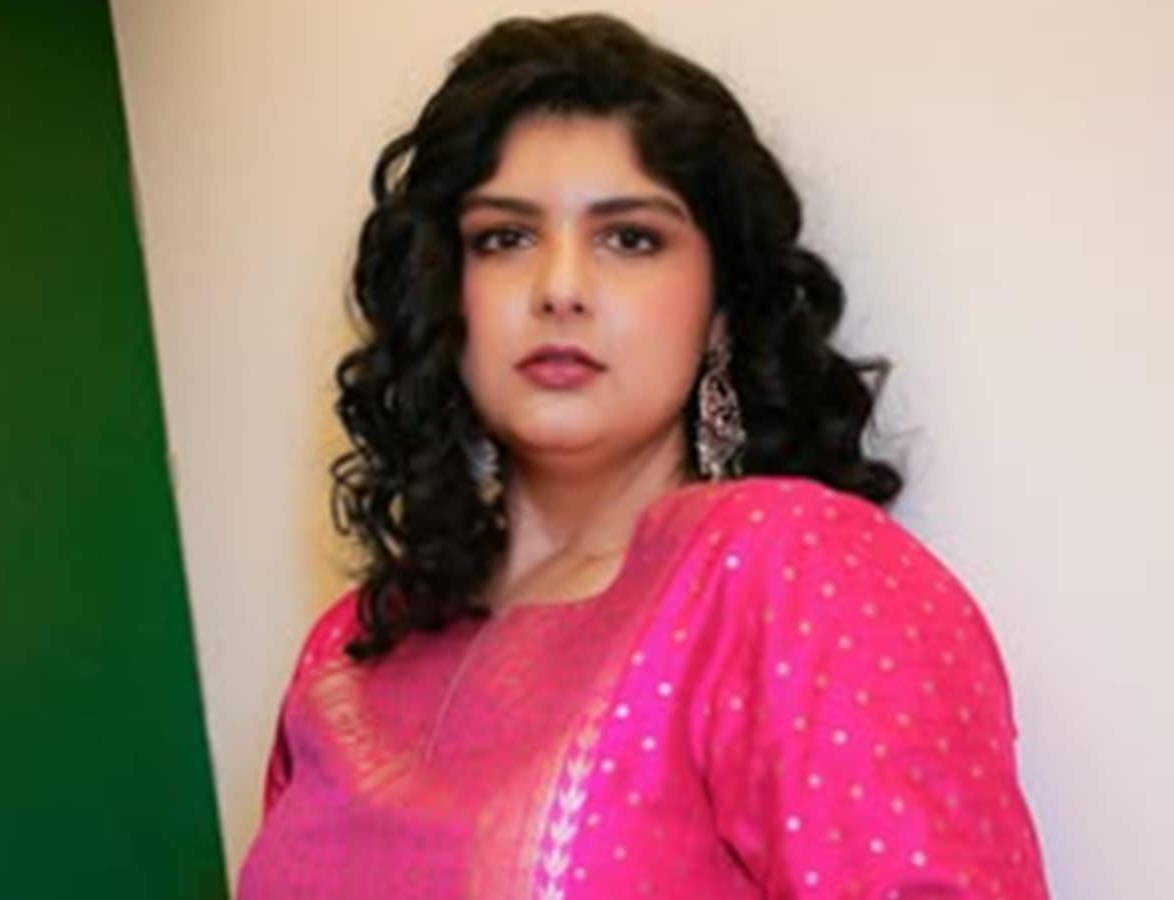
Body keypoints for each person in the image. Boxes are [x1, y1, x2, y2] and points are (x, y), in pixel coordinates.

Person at [237, 13, 1048, 899]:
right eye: (504, 238)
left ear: (720, 308)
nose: (560, 288)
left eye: (630, 239)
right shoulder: (351, 648)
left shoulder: (784, 571)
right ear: (444, 295)